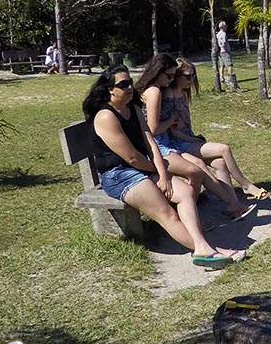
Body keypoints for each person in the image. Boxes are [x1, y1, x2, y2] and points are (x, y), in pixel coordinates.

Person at [82, 66, 245, 269]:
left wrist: (163, 174)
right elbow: (132, 158)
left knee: (185, 191)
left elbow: (150, 141)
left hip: (142, 168)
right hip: (119, 175)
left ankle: (203, 247)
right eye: (123, 84)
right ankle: (207, 249)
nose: (130, 87)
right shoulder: (106, 117)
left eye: (130, 82)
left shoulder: (132, 108)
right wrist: (159, 173)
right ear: (110, 90)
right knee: (166, 212)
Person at [136, 54, 255, 221]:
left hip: (166, 142)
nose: (171, 80)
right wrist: (171, 121)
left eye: (173, 76)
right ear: (158, 72)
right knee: (197, 168)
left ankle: (230, 205)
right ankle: (203, 209)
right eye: (169, 76)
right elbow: (153, 128)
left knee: (205, 164)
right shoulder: (155, 91)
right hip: (157, 146)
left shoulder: (157, 89)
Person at [168, 57, 271, 200]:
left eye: (193, 76)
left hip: (189, 140)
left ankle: (232, 203)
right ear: (176, 76)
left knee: (220, 163)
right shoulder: (169, 96)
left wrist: (193, 137)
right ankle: (246, 185)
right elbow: (172, 130)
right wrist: (192, 139)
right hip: (179, 143)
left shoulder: (182, 93)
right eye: (187, 76)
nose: (191, 80)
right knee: (224, 149)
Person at [216, 20, 238, 91]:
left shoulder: (218, 34)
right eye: (225, 26)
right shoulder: (223, 34)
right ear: (223, 27)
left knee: (221, 65)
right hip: (224, 52)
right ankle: (230, 79)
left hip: (220, 52)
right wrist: (225, 50)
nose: (227, 27)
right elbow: (223, 43)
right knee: (229, 65)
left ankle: (221, 78)